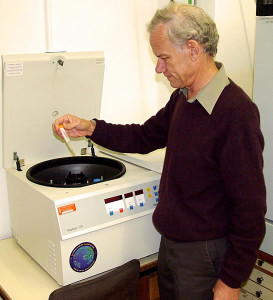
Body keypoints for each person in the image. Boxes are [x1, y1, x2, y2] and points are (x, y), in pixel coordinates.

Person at [52, 2, 266, 300]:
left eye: (163, 58)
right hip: (171, 246)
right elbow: (143, 136)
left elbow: (251, 209)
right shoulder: (183, 98)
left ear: (193, 49)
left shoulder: (236, 112)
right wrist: (91, 128)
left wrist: (230, 281)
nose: (158, 68)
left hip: (205, 256)